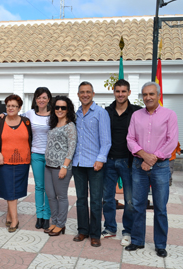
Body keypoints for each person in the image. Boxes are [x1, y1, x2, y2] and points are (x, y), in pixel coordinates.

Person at [125, 82, 178, 258]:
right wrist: (144, 156)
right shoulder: (136, 115)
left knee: (160, 207)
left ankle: (160, 244)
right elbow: (130, 138)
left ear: (158, 95)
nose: (148, 97)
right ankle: (137, 240)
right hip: (139, 166)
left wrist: (152, 158)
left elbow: (171, 141)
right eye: (145, 94)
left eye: (151, 94)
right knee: (137, 205)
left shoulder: (170, 115)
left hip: (161, 167)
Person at [0, 87, 53, 229]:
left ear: (48, 99)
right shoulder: (28, 115)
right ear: (35, 99)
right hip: (26, 157)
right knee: (33, 187)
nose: (41, 100)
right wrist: (2, 113)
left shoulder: (50, 116)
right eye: (39, 97)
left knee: (46, 188)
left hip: (36, 158)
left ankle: (45, 216)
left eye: (44, 97)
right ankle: (22, 218)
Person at [101, 79, 141, 246]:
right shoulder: (106, 112)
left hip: (129, 162)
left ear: (129, 93)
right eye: (118, 91)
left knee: (130, 199)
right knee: (107, 198)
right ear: (114, 92)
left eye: (124, 91)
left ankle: (128, 230)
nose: (120, 94)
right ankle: (110, 227)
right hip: (109, 161)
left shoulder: (137, 112)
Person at [72, 81, 111, 247]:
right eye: (82, 92)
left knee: (96, 200)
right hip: (78, 163)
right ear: (78, 95)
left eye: (88, 92)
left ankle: (95, 234)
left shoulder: (101, 113)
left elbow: (106, 141)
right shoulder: (76, 114)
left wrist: (100, 159)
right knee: (81, 199)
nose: (85, 94)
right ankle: (83, 231)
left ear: (93, 94)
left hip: (95, 164)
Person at [0, 94, 32, 233]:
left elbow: (31, 139)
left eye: (14, 106)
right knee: (8, 188)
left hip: (23, 161)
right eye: (9, 106)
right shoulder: (0, 121)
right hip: (4, 160)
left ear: (19, 107)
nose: (11, 108)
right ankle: (15, 219)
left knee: (15, 189)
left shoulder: (26, 122)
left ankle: (10, 214)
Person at [44, 96, 77, 236]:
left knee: (61, 196)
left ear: (68, 109)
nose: (59, 110)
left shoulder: (70, 126)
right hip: (48, 166)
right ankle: (55, 221)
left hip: (61, 167)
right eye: (57, 107)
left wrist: (64, 166)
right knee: (51, 196)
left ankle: (61, 224)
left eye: (63, 107)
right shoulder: (53, 124)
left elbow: (72, 147)